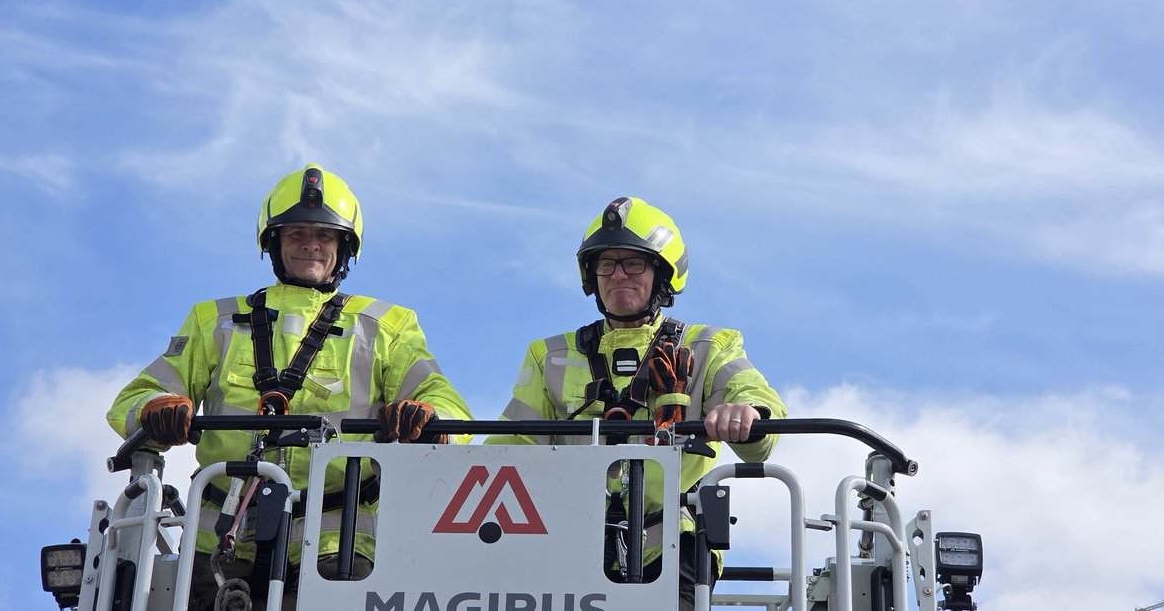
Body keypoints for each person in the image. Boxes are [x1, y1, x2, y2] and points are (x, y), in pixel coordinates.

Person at [107, 164, 472, 611]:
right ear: (274, 244)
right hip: (219, 541)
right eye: (296, 233)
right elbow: (134, 399)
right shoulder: (213, 320)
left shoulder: (387, 326)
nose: (310, 244)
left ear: (344, 248)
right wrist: (157, 407)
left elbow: (445, 404)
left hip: (339, 543)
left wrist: (427, 417)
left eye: (325, 235)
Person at [486, 196, 787, 611]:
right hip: (568, 542)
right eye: (606, 264)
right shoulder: (549, 356)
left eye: (633, 263)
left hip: (676, 543)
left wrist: (747, 413)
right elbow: (509, 453)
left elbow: (758, 416)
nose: (617, 275)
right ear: (591, 276)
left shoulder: (709, 346)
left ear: (662, 274)